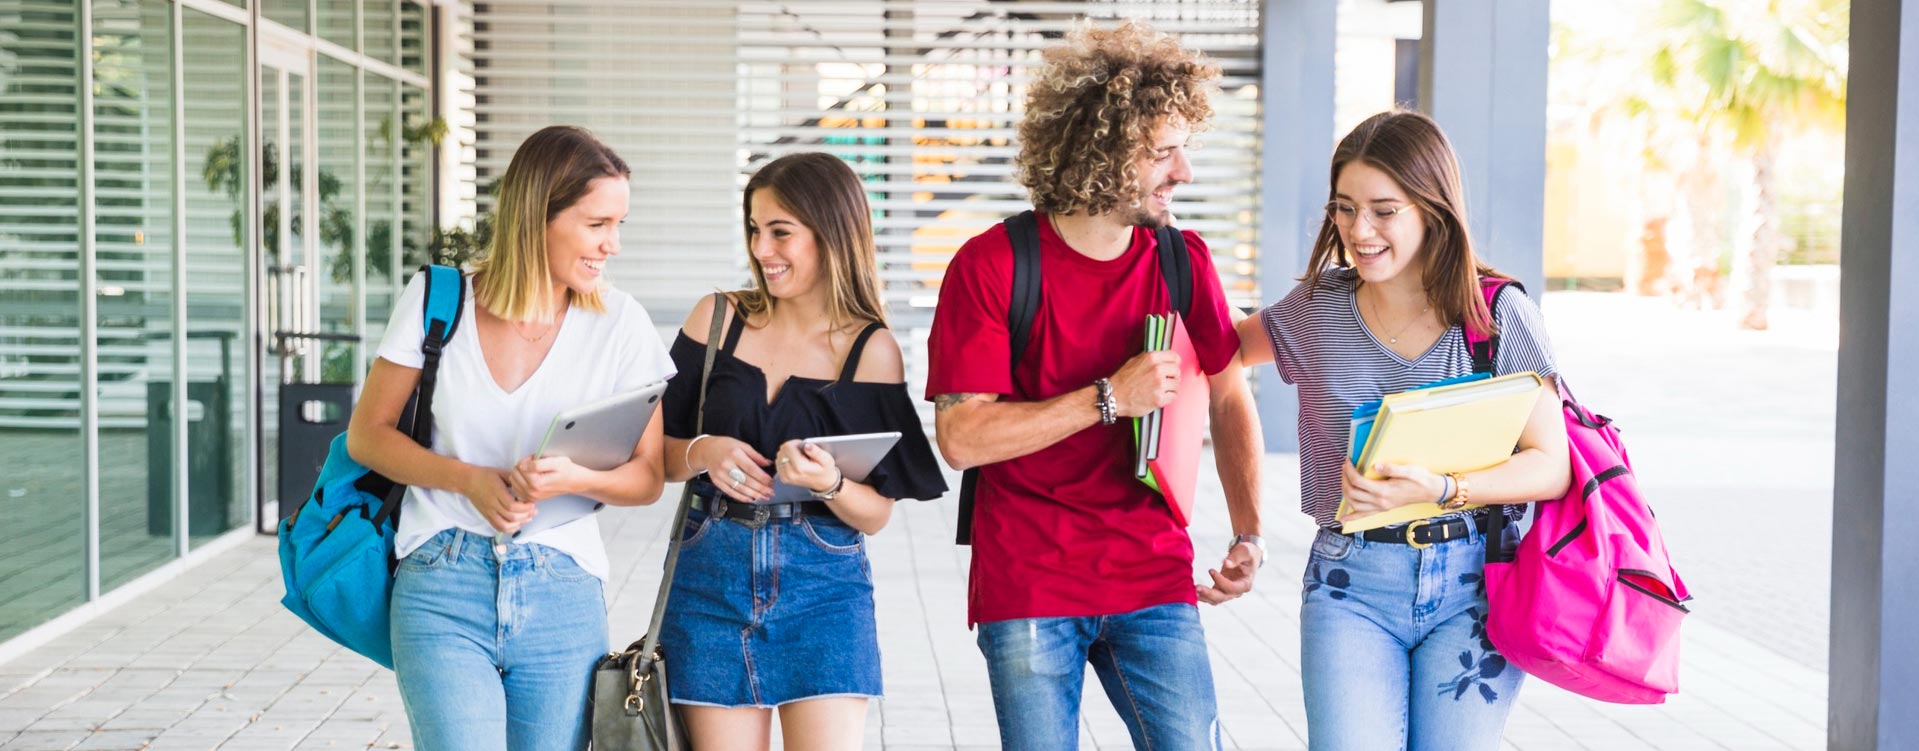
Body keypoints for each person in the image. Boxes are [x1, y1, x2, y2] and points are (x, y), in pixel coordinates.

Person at [924, 21, 1264, 750]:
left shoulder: (1182, 260)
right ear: (1100, 150)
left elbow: (1231, 393)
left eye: (1184, 149)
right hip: (1029, 582)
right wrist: (1107, 397)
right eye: (1163, 152)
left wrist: (1248, 531)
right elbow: (961, 436)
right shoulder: (991, 266)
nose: (1183, 173)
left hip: (1153, 575)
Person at [1236, 109, 1572, 750]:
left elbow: (1550, 465)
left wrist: (1441, 488)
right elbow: (1217, 351)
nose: (1359, 231)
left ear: (1433, 210)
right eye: (1343, 208)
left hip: (1475, 586)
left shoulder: (1496, 313)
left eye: (1384, 210)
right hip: (1349, 584)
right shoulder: (1316, 308)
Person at [346, 125, 676, 750]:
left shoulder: (621, 324)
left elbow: (648, 476)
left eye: (618, 224)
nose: (613, 245)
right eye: (597, 224)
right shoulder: (437, 301)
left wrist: (575, 479)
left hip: (562, 586)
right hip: (442, 577)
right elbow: (368, 436)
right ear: (538, 216)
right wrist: (467, 480)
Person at [658, 151, 947, 750]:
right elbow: (656, 457)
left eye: (781, 232)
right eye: (755, 230)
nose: (763, 249)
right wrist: (705, 449)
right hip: (708, 572)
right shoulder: (716, 320)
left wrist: (829, 485)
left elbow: (878, 512)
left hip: (824, 584)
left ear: (832, 233)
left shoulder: (871, 348)